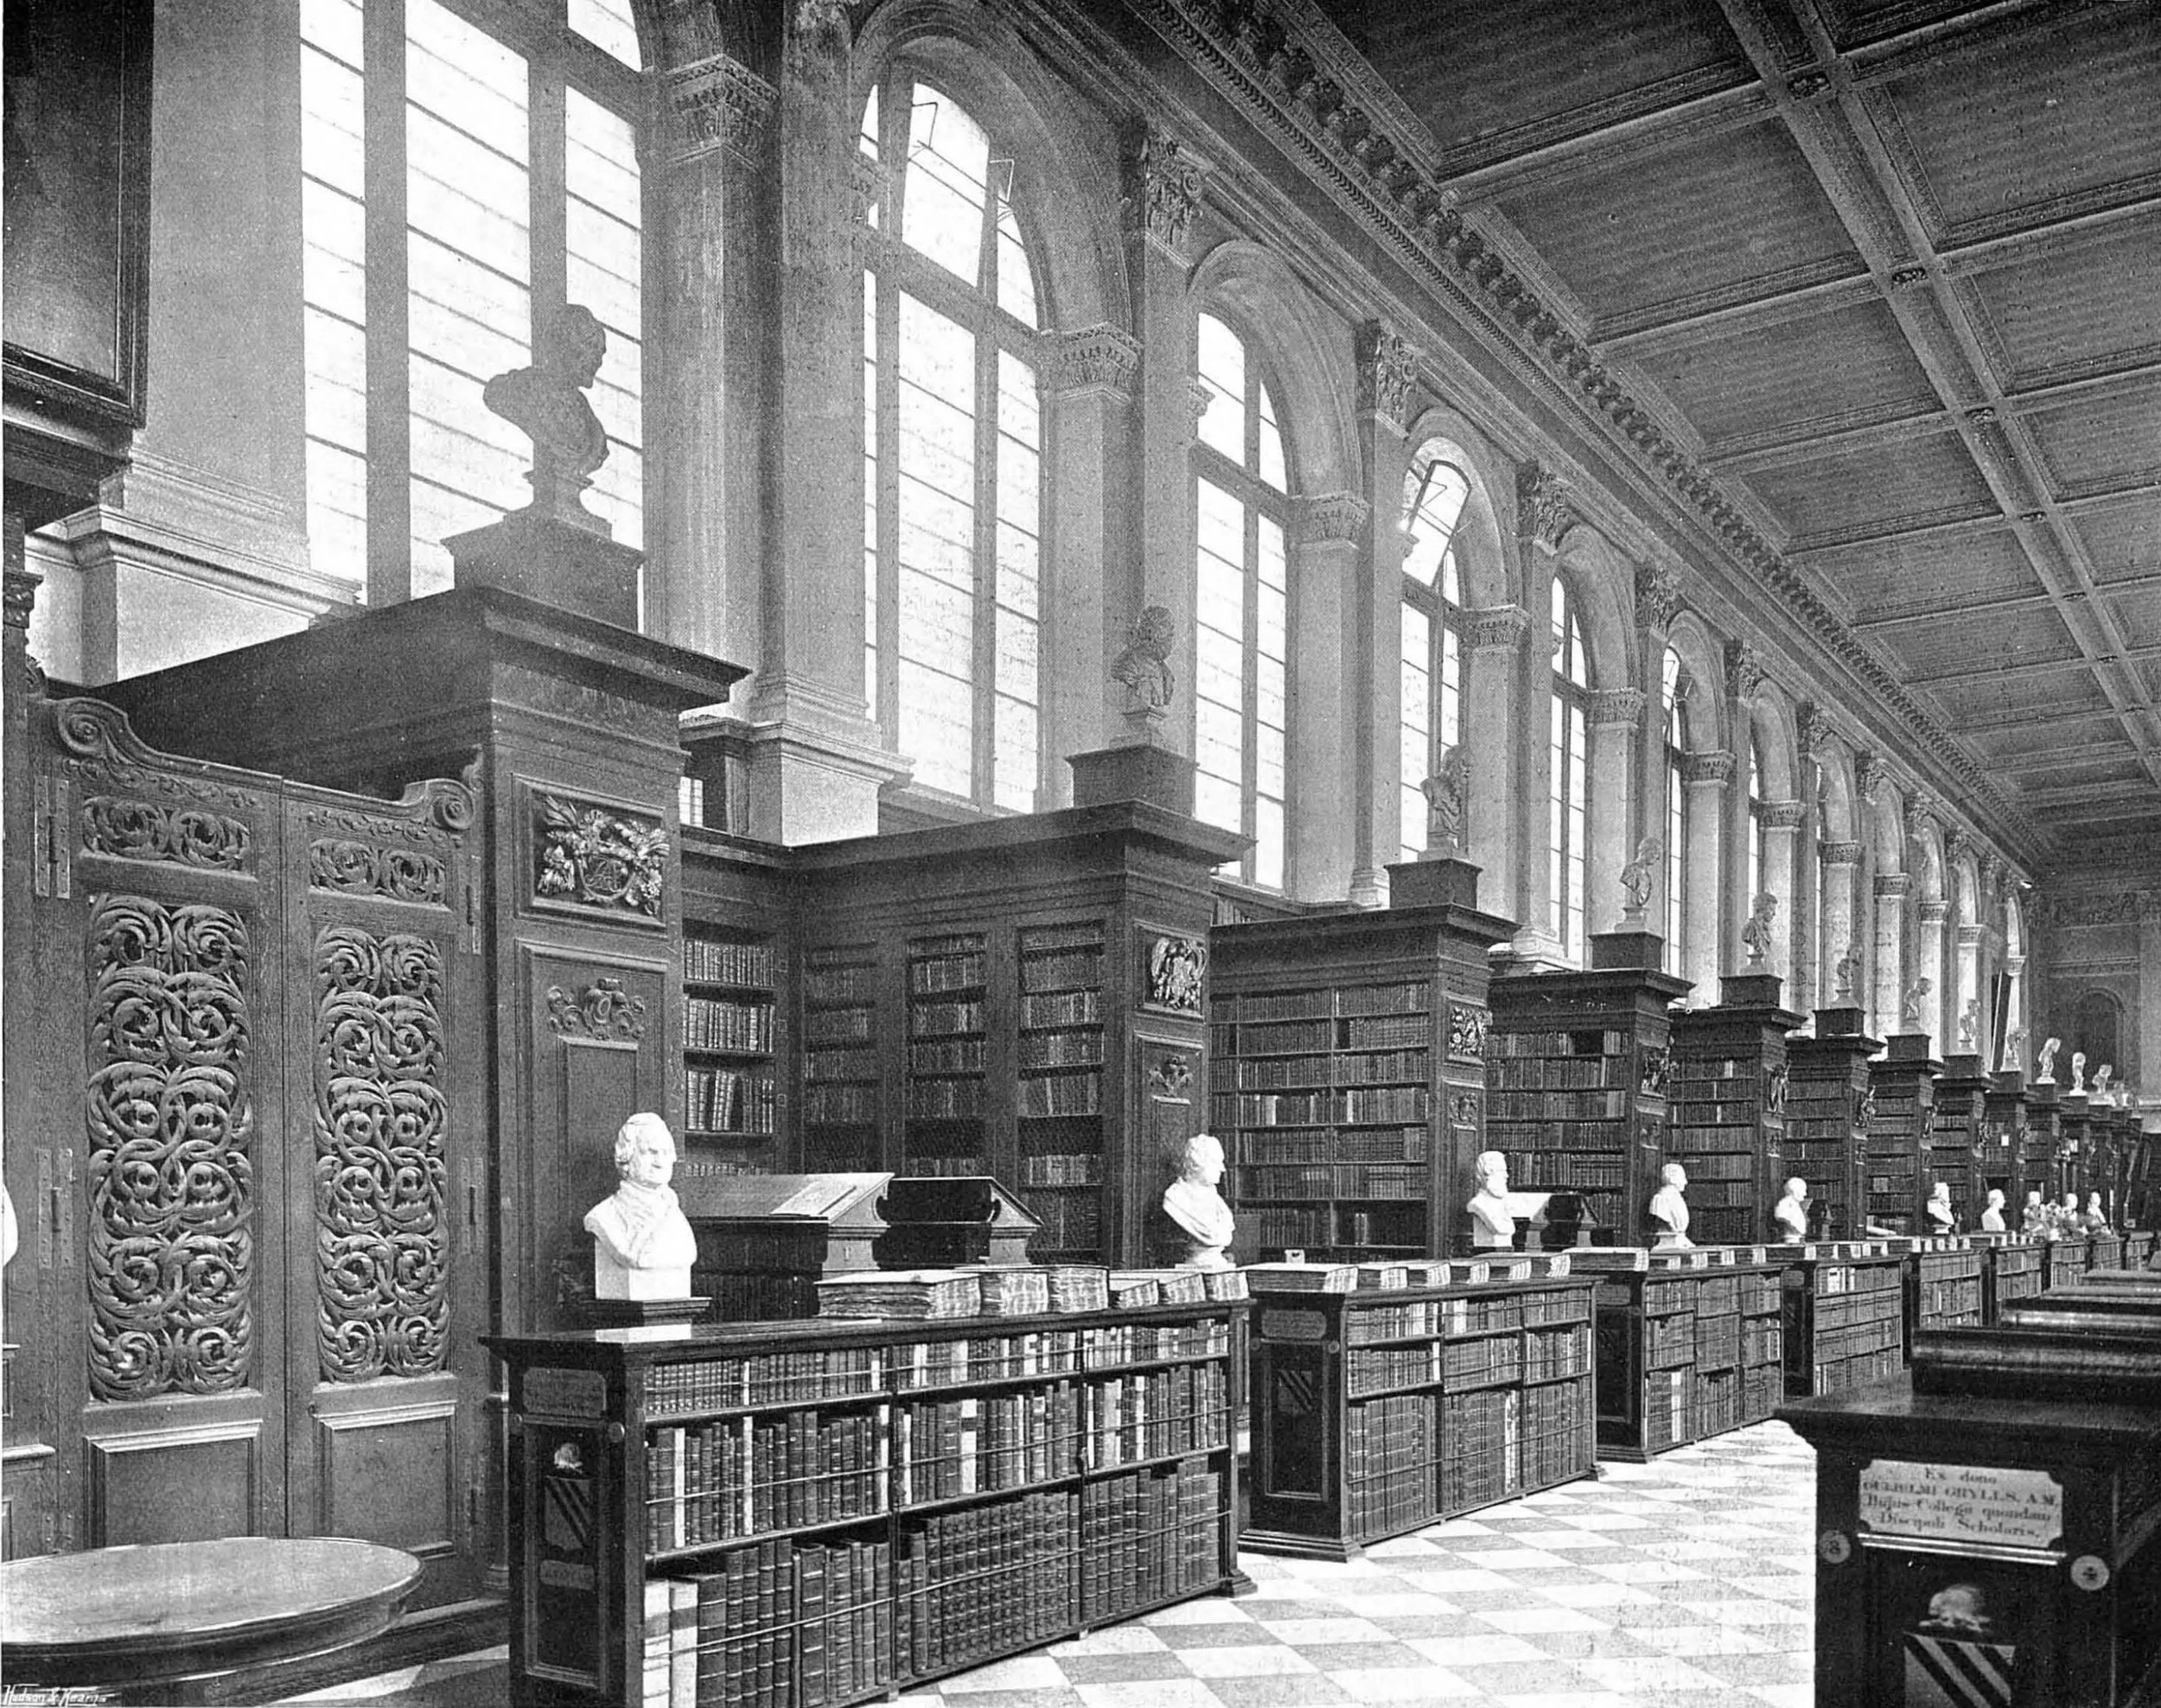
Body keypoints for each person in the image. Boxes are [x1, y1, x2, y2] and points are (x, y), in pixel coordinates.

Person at [583, 1112, 698, 1300]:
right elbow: (632, 1256)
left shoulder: (674, 1212)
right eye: (651, 1152)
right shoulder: (603, 1216)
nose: (661, 1162)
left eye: (666, 1152)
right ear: (626, 1157)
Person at [1162, 1133, 1236, 1270]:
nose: (1222, 1169)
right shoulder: (1175, 1197)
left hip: (1214, 1261)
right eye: (1215, 1162)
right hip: (1197, 1261)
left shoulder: (1215, 1198)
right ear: (1196, 1164)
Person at [1467, 1150, 1516, 1250]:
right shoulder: (1477, 1204)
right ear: (1488, 1173)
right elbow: (1498, 1228)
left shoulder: (1502, 1203)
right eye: (1502, 1171)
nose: (1506, 1176)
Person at [1648, 1163, 1692, 1250]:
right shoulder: (1660, 1200)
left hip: (1681, 1241)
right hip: (1669, 1244)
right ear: (1673, 1179)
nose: (1686, 1182)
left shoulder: (1677, 1199)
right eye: (1682, 1177)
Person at [1771, 1177, 1808, 1244]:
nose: (1805, 1194)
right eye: (1803, 1190)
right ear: (1795, 1190)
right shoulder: (1783, 1205)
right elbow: (1780, 1216)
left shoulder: (1797, 1206)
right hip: (1789, 1238)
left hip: (1796, 1238)